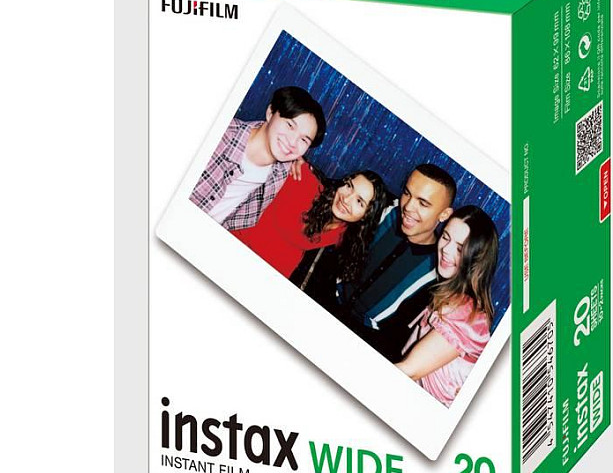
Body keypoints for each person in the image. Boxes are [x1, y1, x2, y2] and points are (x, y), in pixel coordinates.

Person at [338, 163, 457, 363]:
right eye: (407, 194)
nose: (408, 207)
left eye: (423, 203)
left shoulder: (436, 272)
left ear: (444, 214)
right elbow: (340, 196)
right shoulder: (383, 210)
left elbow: (396, 337)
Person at [396, 206, 499, 407]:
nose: (446, 249)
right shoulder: (448, 293)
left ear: (477, 260)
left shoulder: (468, 314)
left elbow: (408, 370)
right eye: (446, 237)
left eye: (460, 248)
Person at [190, 86, 326, 231]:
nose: (293, 142)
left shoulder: (282, 170)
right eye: (290, 125)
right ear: (270, 113)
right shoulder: (219, 134)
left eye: (304, 140)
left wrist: (300, 160)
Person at [231, 163, 388, 280]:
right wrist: (294, 159)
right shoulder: (305, 180)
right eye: (349, 186)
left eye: (359, 201)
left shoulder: (345, 236)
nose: (346, 199)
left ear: (366, 216)